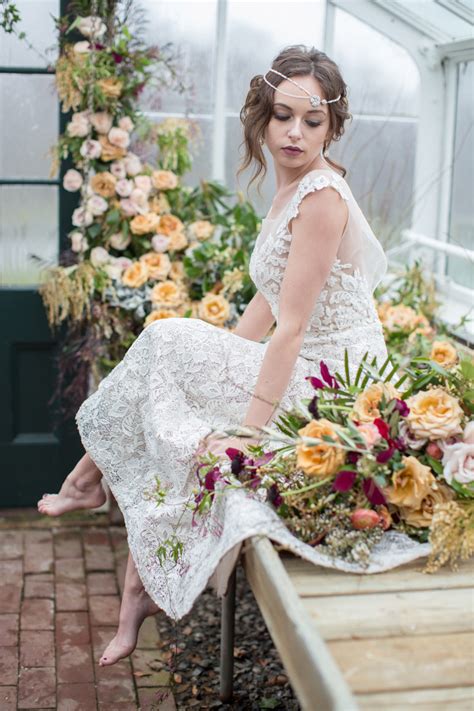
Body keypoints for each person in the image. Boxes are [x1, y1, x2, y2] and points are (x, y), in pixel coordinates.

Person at [37, 44, 388, 665]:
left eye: (313, 121)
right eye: (284, 116)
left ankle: (94, 496)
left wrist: (250, 432)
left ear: (333, 128)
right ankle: (136, 570)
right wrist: (217, 358)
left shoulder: (323, 197)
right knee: (172, 368)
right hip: (307, 363)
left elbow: (293, 327)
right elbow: (268, 297)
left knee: (170, 344)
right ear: (262, 115)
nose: (296, 132)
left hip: (334, 385)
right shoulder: (292, 190)